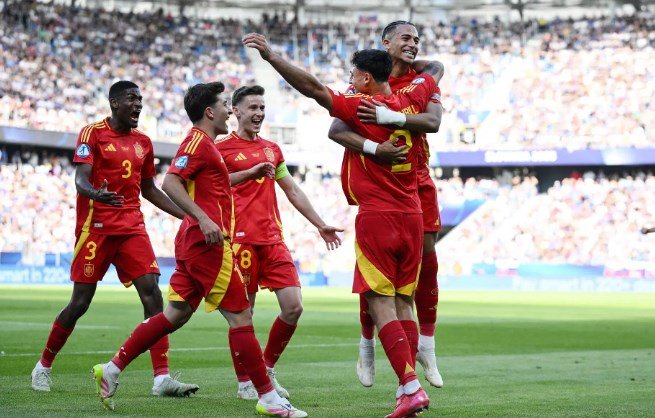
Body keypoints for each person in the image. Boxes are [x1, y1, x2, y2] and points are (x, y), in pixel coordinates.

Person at [243, 32, 441, 418]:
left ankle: (410, 387)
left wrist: (272, 58)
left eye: (354, 75)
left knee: (379, 302)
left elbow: (313, 88)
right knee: (404, 302)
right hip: (413, 215)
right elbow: (434, 71)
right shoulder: (412, 99)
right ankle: (408, 385)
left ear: (366, 78)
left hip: (378, 216)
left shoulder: (362, 105)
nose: (350, 80)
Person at [90, 81, 307, 418]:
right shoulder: (197, 143)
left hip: (194, 243)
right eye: (223, 105)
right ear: (209, 111)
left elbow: (213, 183)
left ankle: (112, 369)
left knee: (173, 315)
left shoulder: (208, 145)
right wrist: (203, 219)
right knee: (241, 316)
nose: (228, 110)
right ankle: (267, 397)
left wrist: (248, 173)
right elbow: (170, 181)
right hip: (207, 246)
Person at [31, 80, 197, 397]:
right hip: (96, 229)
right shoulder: (92, 134)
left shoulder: (143, 142)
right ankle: (43, 366)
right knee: (80, 303)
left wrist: (188, 215)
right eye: (132, 99)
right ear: (114, 102)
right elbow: (80, 180)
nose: (138, 104)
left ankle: (161, 378)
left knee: (152, 294)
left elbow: (149, 190)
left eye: (141, 99)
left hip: (132, 227)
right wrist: (97, 194)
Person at [330, 20, 445, 389]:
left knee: (426, 258)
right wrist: (374, 148)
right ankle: (367, 344)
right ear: (386, 42)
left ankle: (426, 345)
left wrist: (393, 117)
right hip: (379, 182)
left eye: (417, 39)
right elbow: (336, 130)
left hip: (417, 178)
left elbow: (433, 120)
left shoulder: (422, 79)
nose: (413, 44)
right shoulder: (364, 82)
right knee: (376, 276)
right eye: (406, 38)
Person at [215, 85, 343, 400]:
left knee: (293, 307)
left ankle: (267, 369)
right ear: (236, 111)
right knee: (243, 314)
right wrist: (247, 173)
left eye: (262, 107)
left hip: (273, 240)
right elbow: (210, 184)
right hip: (239, 242)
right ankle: (246, 383)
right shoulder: (221, 149)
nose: (259, 113)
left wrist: (320, 224)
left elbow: (292, 190)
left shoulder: (272, 150)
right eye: (253, 107)